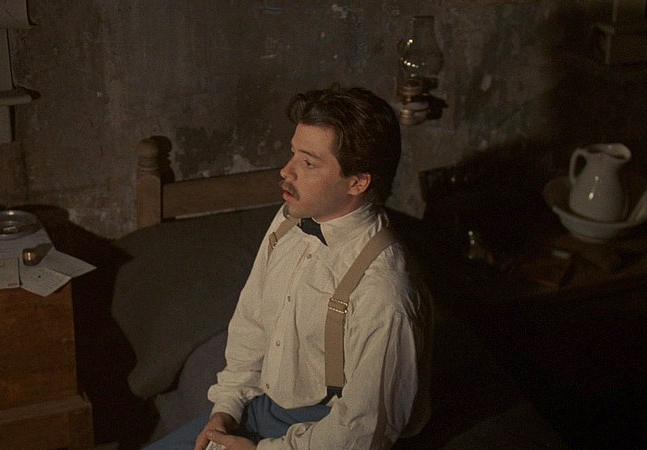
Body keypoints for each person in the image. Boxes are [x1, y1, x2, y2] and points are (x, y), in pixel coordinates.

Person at [147, 84, 433, 449]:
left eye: (308, 163)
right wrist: (227, 407)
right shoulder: (289, 220)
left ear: (358, 182)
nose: (286, 171)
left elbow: (362, 432)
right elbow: (251, 323)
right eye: (293, 153)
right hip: (263, 408)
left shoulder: (384, 293)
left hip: (325, 434)